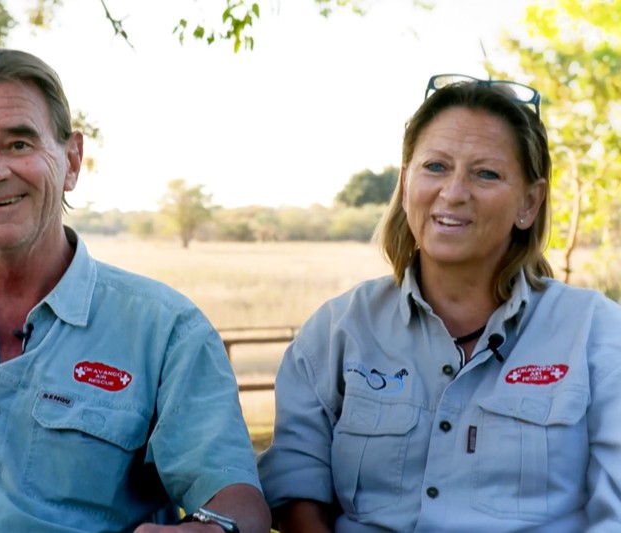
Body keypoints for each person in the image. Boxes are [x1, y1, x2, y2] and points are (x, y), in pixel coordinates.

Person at [0, 48, 270, 533]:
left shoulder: (165, 331)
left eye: (18, 144)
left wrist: (209, 528)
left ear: (71, 160)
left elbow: (236, 499)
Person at [257, 74, 621, 532]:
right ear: (406, 181)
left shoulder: (597, 334)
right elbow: (296, 489)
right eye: (435, 167)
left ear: (529, 203)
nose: (454, 192)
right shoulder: (337, 332)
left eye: (486, 173)